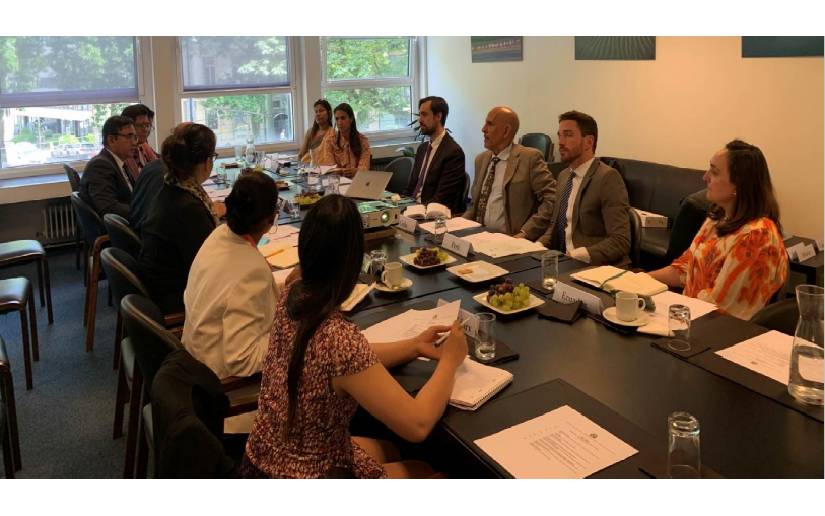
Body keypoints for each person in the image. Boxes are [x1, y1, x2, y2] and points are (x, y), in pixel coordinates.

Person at [242, 194, 468, 479]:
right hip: (309, 474)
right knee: (426, 471)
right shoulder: (339, 340)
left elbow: (345, 364)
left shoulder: (292, 293)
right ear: (353, 261)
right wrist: (450, 360)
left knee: (391, 450)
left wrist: (413, 346)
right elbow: (418, 425)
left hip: (263, 458)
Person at [649, 140, 788, 320]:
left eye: (714, 172)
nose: (705, 177)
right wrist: (639, 279)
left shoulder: (757, 236)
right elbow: (686, 268)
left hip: (717, 328)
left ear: (739, 184)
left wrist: (666, 315)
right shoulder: (717, 217)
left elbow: (721, 310)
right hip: (691, 317)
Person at [182, 172, 280, 381]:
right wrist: (290, 335)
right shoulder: (253, 272)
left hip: (195, 355)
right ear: (270, 220)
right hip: (221, 382)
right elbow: (242, 360)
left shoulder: (218, 235)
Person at [137, 123, 221, 314]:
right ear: (206, 162)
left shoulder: (171, 188)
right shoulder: (188, 208)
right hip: (177, 296)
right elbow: (210, 267)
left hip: (160, 285)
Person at [538, 110, 631, 265]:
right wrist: (537, 246)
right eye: (560, 135)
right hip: (563, 261)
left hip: (592, 265)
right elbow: (555, 226)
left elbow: (620, 240)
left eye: (568, 135)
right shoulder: (563, 176)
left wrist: (577, 255)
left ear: (589, 142)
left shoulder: (608, 178)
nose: (560, 142)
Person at [463, 106, 556, 240]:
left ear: (506, 131)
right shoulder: (481, 159)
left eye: (490, 124)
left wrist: (525, 233)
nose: (483, 129)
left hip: (510, 239)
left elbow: (551, 199)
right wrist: (458, 225)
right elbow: (474, 205)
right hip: (478, 235)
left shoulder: (530, 158)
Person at [404, 96, 467, 213]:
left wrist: (413, 211)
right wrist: (401, 206)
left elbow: (442, 199)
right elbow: (410, 188)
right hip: (412, 209)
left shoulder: (453, 153)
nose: (420, 120)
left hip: (431, 214)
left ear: (438, 116)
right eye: (420, 115)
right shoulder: (422, 149)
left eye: (424, 115)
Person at [78, 115, 137, 219]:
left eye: (135, 137)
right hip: (120, 226)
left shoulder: (118, 162)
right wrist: (142, 212)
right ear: (111, 140)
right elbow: (108, 207)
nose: (134, 142)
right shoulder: (100, 166)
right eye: (129, 137)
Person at [317, 103, 371, 177]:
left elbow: (364, 167)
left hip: (358, 180)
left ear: (351, 119)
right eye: (337, 119)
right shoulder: (330, 141)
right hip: (337, 180)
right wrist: (339, 172)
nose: (339, 122)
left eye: (343, 118)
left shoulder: (363, 141)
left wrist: (356, 172)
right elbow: (330, 167)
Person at [120, 103, 159, 179]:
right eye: (140, 125)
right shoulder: (121, 153)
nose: (145, 130)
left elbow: (158, 167)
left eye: (147, 125)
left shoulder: (144, 146)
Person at [298, 99, 333, 164]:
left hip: (324, 168)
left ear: (329, 113)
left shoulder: (333, 134)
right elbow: (301, 154)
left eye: (321, 111)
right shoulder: (310, 132)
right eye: (316, 111)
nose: (318, 114)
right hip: (307, 167)